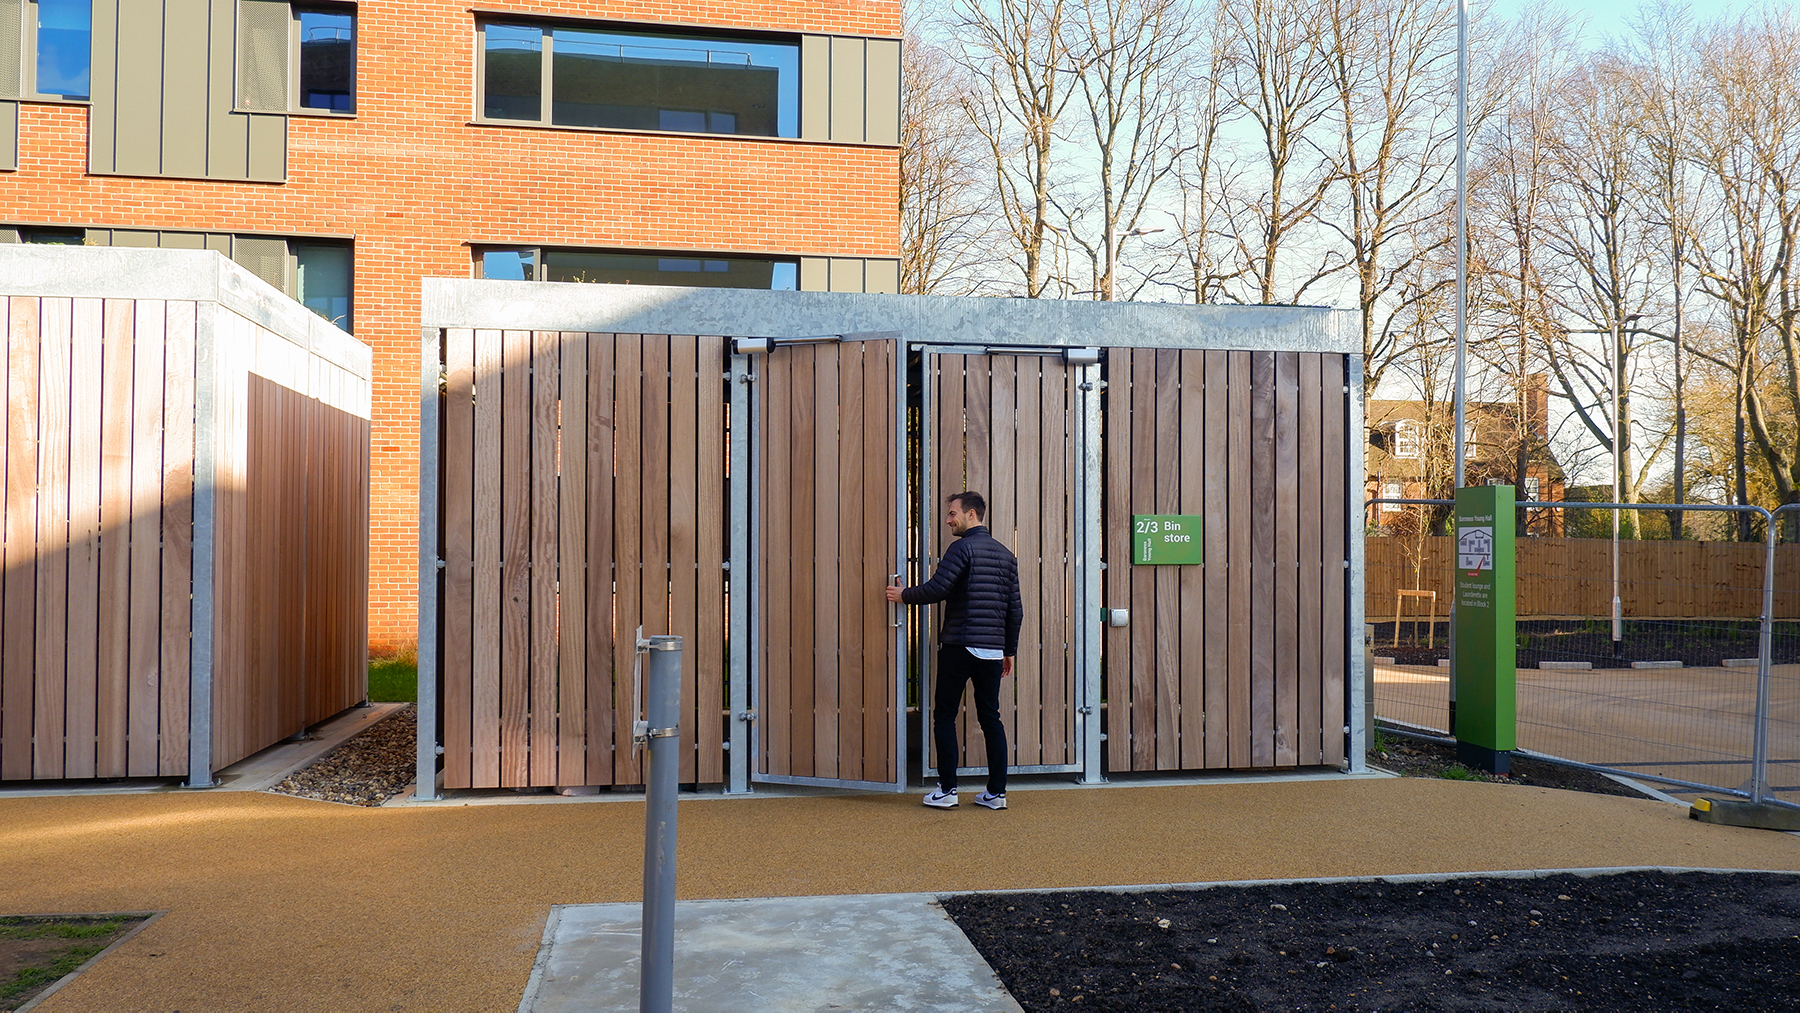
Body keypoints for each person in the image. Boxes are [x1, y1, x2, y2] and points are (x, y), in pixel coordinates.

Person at [885, 491, 1023, 810]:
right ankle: (996, 794)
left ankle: (947, 791)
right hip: (991, 651)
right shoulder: (1006, 555)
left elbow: (939, 588)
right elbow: (1015, 611)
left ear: (971, 514)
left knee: (945, 714)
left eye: (952, 514)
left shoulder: (962, 547)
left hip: (960, 646)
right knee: (991, 718)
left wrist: (903, 595)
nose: (948, 520)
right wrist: (1008, 650)